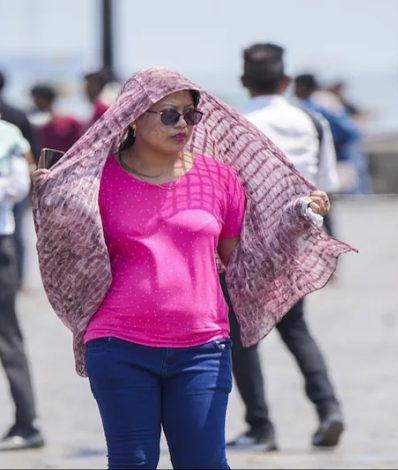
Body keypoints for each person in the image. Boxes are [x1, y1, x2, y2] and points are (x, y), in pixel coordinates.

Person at [31, 68, 353, 469]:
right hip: (118, 345)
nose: (183, 123)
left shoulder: (218, 179)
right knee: (131, 462)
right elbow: (68, 257)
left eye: (190, 114)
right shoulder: (96, 181)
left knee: (204, 463)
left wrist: (295, 225)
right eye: (169, 114)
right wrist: (53, 203)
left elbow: (244, 263)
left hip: (203, 349)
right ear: (132, 116)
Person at [224, 42, 344, 451]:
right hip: (295, 237)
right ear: (287, 80)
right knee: (296, 330)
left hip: (244, 242)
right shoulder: (311, 120)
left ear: (243, 81)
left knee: (242, 335)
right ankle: (329, 410)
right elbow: (330, 181)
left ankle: (260, 427)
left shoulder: (233, 123)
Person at [0, 120, 42, 451]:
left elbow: (18, 187)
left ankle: (27, 423)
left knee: (6, 337)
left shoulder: (7, 134)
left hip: (1, 246)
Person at [0, 71, 36, 289]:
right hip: (16, 183)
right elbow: (30, 149)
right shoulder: (17, 115)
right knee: (15, 230)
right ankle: (17, 277)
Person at [29, 84, 82, 153]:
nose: (35, 102)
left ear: (43, 99)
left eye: (36, 98)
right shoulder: (40, 126)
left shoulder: (70, 122)